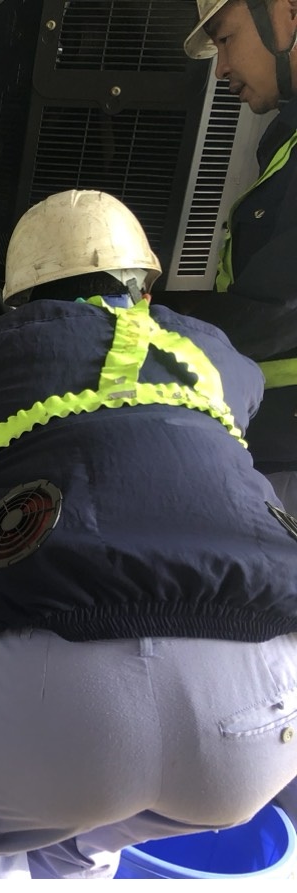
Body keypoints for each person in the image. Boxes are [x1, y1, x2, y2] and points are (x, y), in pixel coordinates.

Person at [0, 189, 297, 879]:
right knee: (86, 835)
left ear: (20, 298)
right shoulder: (217, 355)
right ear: (146, 287)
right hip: (261, 719)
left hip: (61, 700)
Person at [157, 0, 296, 512]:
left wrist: (142, 323)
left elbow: (275, 313)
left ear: (288, 11)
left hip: (283, 453)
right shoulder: (286, 137)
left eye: (226, 38)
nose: (222, 68)